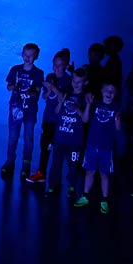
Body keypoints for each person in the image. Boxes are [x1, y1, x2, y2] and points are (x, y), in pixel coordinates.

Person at [75, 81, 123, 213]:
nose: (109, 93)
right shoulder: (95, 104)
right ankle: (85, 196)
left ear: (115, 94)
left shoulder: (116, 108)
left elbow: (118, 128)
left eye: (112, 91)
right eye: (107, 90)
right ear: (102, 91)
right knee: (89, 171)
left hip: (106, 148)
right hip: (91, 145)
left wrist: (118, 120)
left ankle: (104, 199)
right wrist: (89, 105)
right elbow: (85, 120)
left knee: (104, 174)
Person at [45, 69, 90, 201]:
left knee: (73, 165)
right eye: (74, 80)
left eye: (79, 82)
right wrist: (60, 102)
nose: (75, 84)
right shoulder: (67, 92)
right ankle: (53, 184)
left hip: (74, 141)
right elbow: (57, 111)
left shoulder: (84, 98)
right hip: (60, 137)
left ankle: (72, 186)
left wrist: (78, 109)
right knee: (55, 164)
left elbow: (86, 119)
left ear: (85, 82)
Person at [3, 44, 45, 182]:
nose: (27, 58)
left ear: (36, 56)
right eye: (25, 54)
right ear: (22, 54)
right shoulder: (15, 69)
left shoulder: (38, 73)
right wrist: (14, 86)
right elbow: (8, 86)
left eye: (30, 55)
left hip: (30, 111)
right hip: (15, 110)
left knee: (29, 138)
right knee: (12, 137)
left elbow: (37, 92)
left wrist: (31, 91)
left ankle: (26, 165)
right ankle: (10, 161)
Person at [29, 48, 70, 184]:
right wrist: (46, 91)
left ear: (65, 65)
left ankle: (57, 178)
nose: (56, 68)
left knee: (58, 150)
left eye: (59, 65)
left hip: (60, 121)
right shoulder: (50, 77)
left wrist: (53, 88)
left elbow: (63, 98)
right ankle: (41, 173)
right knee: (44, 146)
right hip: (48, 118)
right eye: (54, 65)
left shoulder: (67, 80)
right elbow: (45, 96)